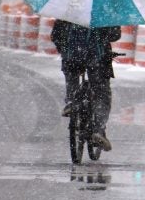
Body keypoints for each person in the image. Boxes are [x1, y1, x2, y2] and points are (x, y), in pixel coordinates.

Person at [51, 19, 121, 152]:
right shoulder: (103, 12)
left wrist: (64, 49)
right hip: (98, 59)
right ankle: (98, 129)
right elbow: (115, 35)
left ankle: (72, 101)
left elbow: (56, 35)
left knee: (71, 76)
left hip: (72, 57)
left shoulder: (69, 10)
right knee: (102, 93)